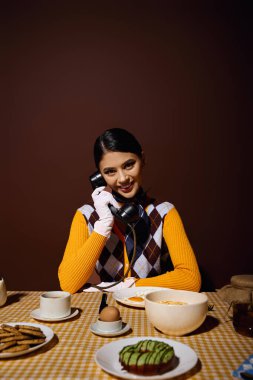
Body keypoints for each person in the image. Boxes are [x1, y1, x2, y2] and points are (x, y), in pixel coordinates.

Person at [58, 128, 201, 294]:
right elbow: (68, 284)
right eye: (110, 171)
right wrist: (103, 225)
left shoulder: (164, 213)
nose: (123, 178)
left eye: (129, 165)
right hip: (104, 313)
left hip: (147, 311)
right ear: (99, 177)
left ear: (143, 159)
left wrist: (129, 286)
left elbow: (191, 280)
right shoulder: (86, 216)